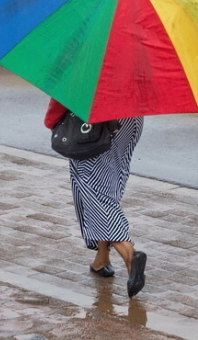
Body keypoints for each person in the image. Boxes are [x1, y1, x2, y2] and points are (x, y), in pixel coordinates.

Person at [44, 99, 147, 298]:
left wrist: (52, 122)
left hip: (96, 120)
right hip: (131, 117)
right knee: (108, 183)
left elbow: (66, 92)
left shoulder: (83, 66)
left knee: (95, 192)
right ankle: (102, 259)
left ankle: (129, 255)